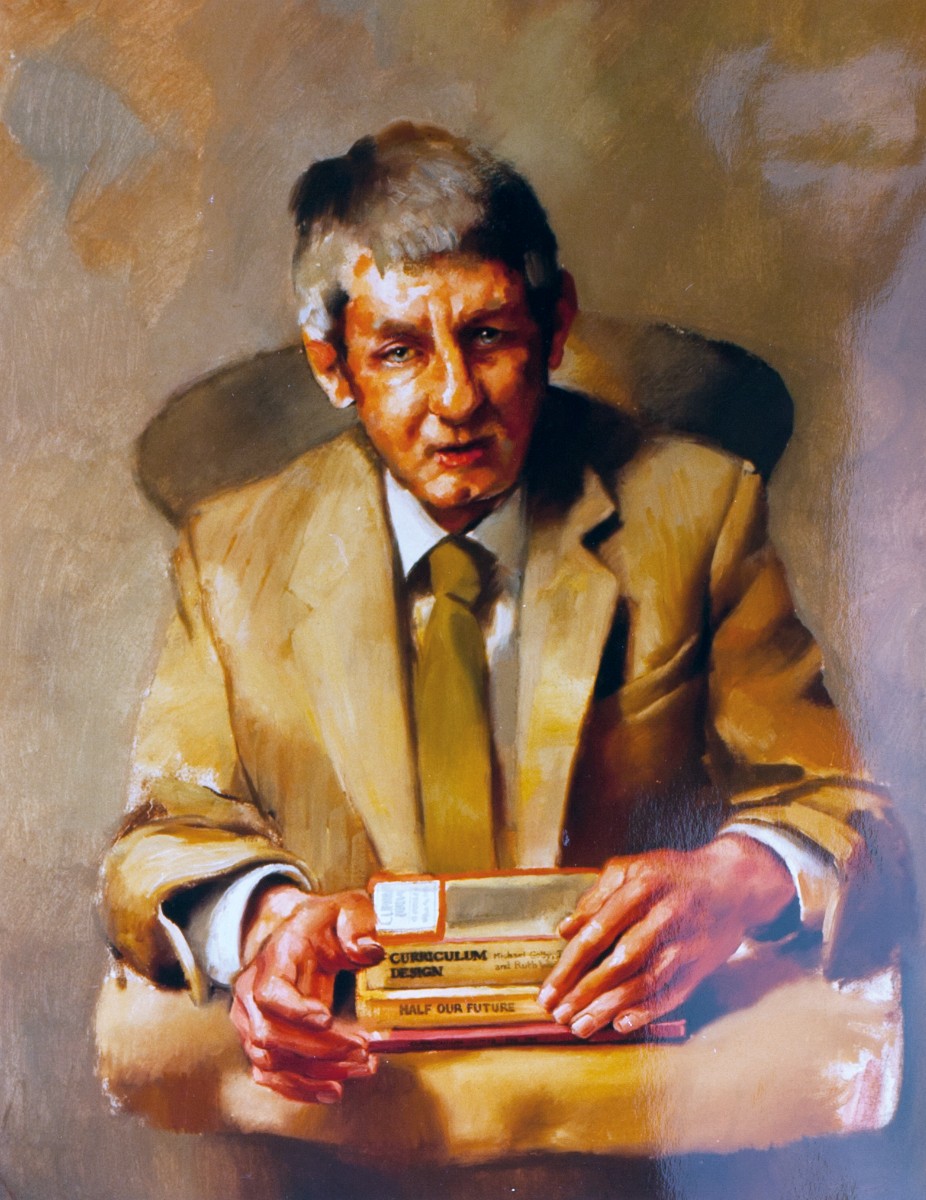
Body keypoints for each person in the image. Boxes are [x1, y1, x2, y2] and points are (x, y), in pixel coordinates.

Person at [101, 122, 910, 1109]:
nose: (455, 399)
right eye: (398, 350)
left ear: (554, 323)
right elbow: (154, 844)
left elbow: (850, 818)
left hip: (625, 1095)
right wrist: (266, 923)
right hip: (353, 1110)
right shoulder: (231, 553)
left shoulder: (697, 512)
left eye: (487, 335)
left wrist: (736, 878)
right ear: (332, 364)